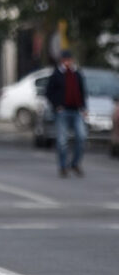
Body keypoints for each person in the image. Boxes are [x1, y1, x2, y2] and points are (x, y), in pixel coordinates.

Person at [46, 49, 87, 178]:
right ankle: (63, 166)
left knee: (81, 137)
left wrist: (84, 107)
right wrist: (57, 106)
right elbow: (49, 93)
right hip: (62, 111)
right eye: (65, 60)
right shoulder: (57, 74)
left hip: (76, 111)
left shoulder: (77, 74)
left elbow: (82, 91)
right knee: (62, 141)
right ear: (62, 61)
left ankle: (75, 163)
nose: (68, 62)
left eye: (69, 59)